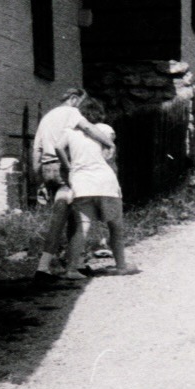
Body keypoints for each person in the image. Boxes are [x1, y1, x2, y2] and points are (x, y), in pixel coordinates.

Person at [60, 98, 139, 277]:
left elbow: (59, 148)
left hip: (81, 182)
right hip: (105, 182)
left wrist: (69, 166)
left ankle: (71, 269)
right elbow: (108, 157)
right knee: (115, 226)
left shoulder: (68, 131)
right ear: (100, 113)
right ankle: (121, 266)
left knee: (82, 227)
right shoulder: (105, 129)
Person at [31, 87, 94, 284]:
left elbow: (36, 151)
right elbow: (89, 129)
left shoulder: (47, 117)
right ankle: (43, 267)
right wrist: (107, 143)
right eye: (81, 103)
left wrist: (39, 179)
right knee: (63, 218)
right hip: (64, 168)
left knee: (72, 215)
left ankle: (77, 262)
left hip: (47, 169)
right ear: (74, 99)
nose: (81, 108)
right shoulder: (72, 112)